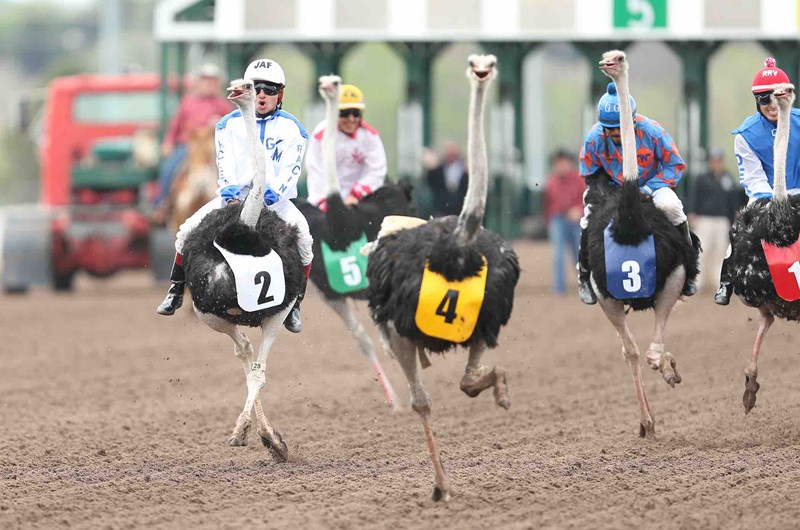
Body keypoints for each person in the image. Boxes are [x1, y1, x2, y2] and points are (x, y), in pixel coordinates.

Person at [156, 58, 314, 334]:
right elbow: (224, 163)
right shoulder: (226, 125)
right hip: (234, 197)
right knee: (185, 230)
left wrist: (271, 195)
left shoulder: (294, 130)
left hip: (275, 201)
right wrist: (229, 193)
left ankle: (295, 304)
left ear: (281, 94)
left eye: (270, 89)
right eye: (256, 88)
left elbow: (292, 170)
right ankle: (176, 289)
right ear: (246, 91)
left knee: (305, 238)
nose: (262, 95)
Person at [577, 82, 695, 304]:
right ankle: (584, 274)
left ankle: (689, 266)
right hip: (613, 189)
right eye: (608, 128)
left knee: (672, 207)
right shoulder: (594, 138)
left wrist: (648, 188)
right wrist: (605, 193)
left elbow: (675, 165)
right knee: (587, 216)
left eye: (618, 127)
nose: (614, 132)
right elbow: (589, 171)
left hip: (653, 185)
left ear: (631, 120)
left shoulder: (653, 132)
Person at [714, 57, 800, 305]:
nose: (771, 104)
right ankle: (726, 280)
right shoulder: (745, 134)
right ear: (756, 100)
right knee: (741, 226)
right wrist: (774, 202)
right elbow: (753, 178)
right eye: (764, 98)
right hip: (767, 194)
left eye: (776, 96)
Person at [153, 64, 232, 219]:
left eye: (213, 81)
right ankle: (161, 204)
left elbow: (233, 129)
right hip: (188, 147)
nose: (209, 84)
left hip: (213, 148)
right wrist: (169, 142)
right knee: (169, 168)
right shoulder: (187, 102)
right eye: (205, 80)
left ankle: (233, 206)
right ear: (198, 83)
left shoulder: (223, 106)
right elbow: (175, 124)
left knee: (230, 172)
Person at [305, 84, 387, 210]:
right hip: (324, 203)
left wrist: (356, 194)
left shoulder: (370, 136)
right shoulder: (321, 134)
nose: (351, 119)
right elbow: (316, 170)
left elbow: (376, 170)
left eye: (356, 113)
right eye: (345, 113)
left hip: (360, 200)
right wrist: (324, 201)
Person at [686, 148, 746, 292]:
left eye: (719, 160)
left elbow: (734, 197)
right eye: (714, 160)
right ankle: (697, 282)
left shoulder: (727, 177)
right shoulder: (702, 177)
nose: (717, 163)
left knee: (720, 251)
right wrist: (692, 212)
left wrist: (736, 213)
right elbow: (694, 195)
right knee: (703, 250)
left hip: (722, 219)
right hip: (704, 219)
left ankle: (717, 282)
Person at [543, 149, 585, 296]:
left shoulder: (579, 179)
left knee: (578, 255)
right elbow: (547, 204)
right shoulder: (551, 181)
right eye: (558, 163)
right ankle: (559, 289)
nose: (561, 166)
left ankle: (585, 285)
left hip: (576, 220)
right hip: (558, 219)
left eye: (563, 162)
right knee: (558, 255)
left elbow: (586, 198)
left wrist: (579, 209)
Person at [426, 141, 469, 216]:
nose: (451, 154)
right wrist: (430, 169)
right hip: (441, 210)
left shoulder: (465, 169)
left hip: (461, 210)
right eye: (449, 151)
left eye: (453, 151)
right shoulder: (438, 169)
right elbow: (430, 183)